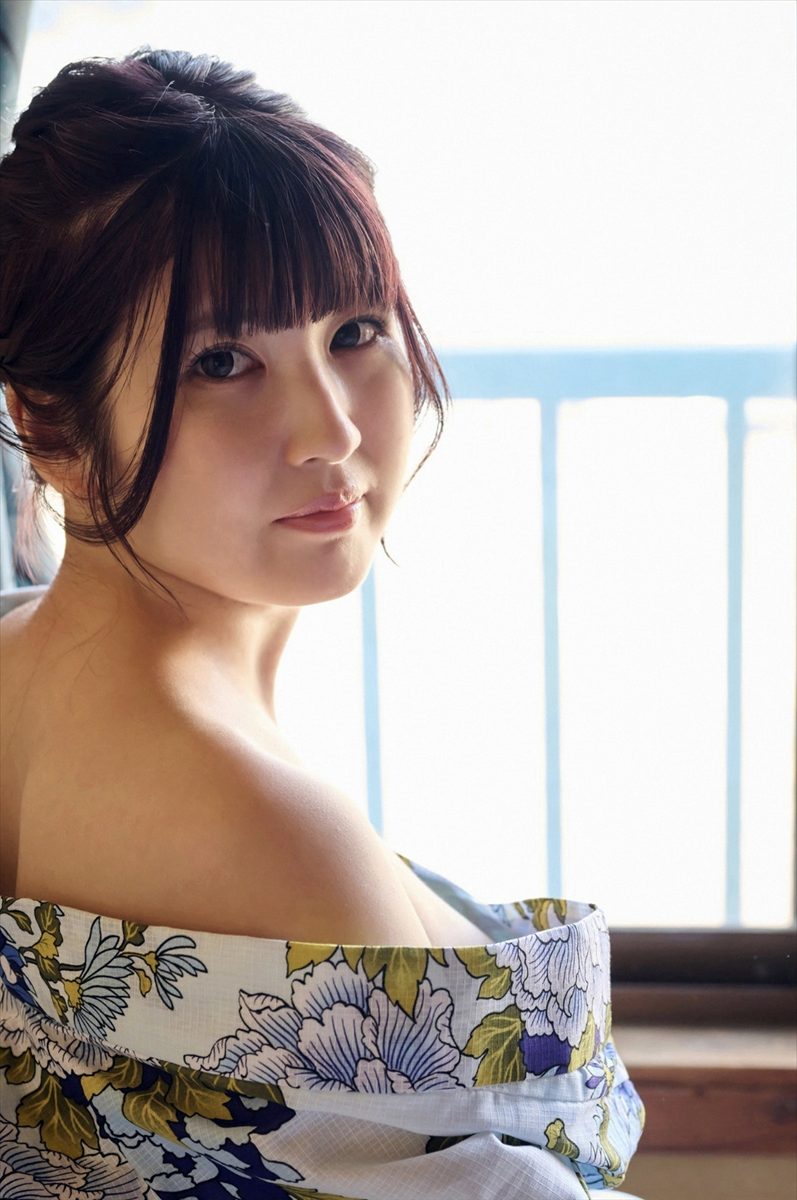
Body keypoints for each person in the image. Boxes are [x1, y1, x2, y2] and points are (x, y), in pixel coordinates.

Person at [0, 48, 644, 1198]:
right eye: (223, 361)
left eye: (354, 332)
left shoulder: (27, 660)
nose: (331, 430)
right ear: (53, 426)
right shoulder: (248, 826)